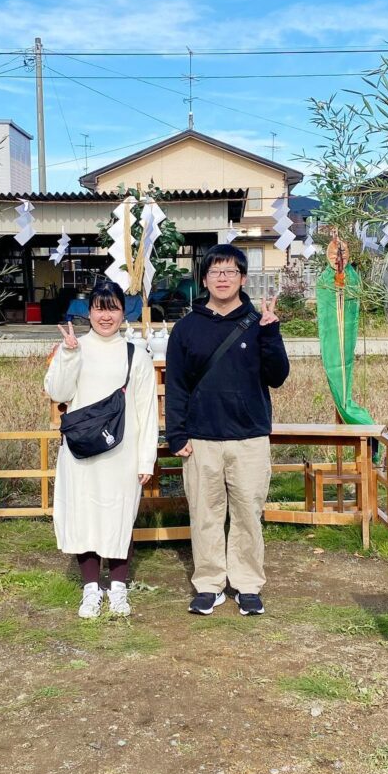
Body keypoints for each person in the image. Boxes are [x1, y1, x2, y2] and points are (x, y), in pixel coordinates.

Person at [165, 244, 290, 617]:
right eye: (216, 272)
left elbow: (278, 376)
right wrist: (177, 434)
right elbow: (177, 386)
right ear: (204, 279)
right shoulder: (186, 328)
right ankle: (209, 584)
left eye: (230, 272)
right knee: (204, 514)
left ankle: (247, 585)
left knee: (248, 514)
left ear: (243, 278)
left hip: (250, 437)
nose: (223, 278)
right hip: (202, 438)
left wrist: (271, 333)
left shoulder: (257, 322)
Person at [45, 280, 158, 618]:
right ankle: (91, 588)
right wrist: (67, 354)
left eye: (112, 308)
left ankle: (119, 588)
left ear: (124, 312)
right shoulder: (74, 346)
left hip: (122, 451)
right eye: (99, 307)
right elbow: (58, 392)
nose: (105, 316)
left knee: (119, 516)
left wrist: (146, 458)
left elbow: (146, 408)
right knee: (84, 516)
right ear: (88, 311)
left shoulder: (135, 354)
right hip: (80, 451)